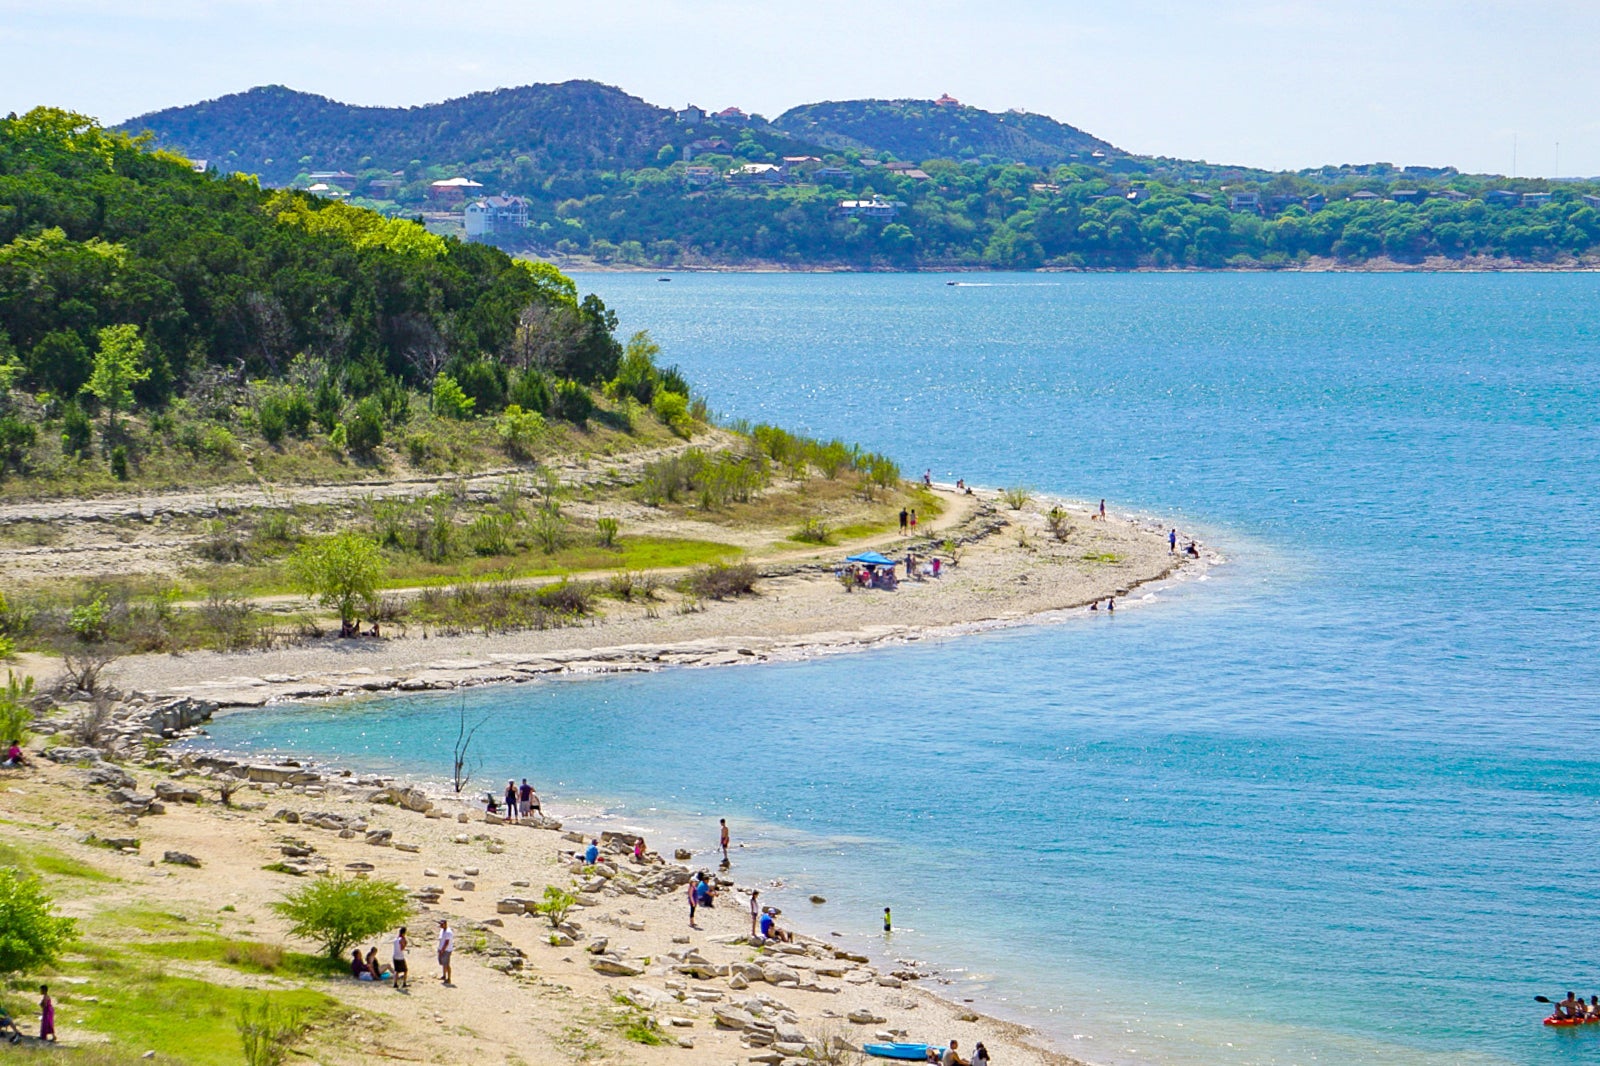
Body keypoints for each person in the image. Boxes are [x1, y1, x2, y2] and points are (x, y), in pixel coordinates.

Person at [436, 919, 454, 985]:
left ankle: (448, 978)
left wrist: (442, 950)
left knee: (446, 964)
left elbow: (446, 943)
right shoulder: (442, 930)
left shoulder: (448, 932)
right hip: (441, 949)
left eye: (441, 924)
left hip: (446, 950)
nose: (440, 925)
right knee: (443, 963)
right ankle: (444, 976)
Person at [391, 926, 409, 990]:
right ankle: (404, 983)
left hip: (395, 956)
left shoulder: (396, 939)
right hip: (400, 957)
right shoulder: (401, 939)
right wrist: (405, 943)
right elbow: (402, 948)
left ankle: (395, 983)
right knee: (405, 970)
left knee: (396, 970)